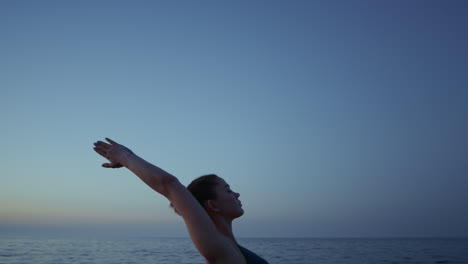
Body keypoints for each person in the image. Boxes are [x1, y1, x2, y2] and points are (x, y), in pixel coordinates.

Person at [93, 138, 269, 264]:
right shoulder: (218, 247)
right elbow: (169, 185)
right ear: (213, 205)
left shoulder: (228, 245)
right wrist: (125, 156)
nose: (237, 194)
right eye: (228, 190)